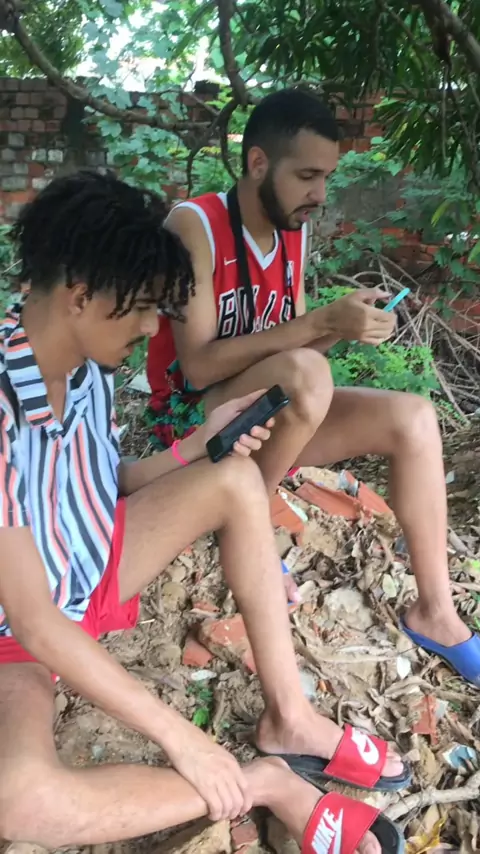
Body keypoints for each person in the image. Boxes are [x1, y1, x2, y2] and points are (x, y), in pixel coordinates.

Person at [0, 170, 407, 851]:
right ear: (80, 295)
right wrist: (183, 738)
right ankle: (268, 784)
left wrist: (196, 447)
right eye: (142, 309)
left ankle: (291, 717)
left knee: (237, 479)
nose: (151, 327)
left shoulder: (87, 369)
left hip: (97, 564)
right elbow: (35, 622)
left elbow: (109, 483)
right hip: (20, 630)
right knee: (20, 801)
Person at [146, 87, 480, 688]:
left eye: (326, 176)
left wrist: (343, 325)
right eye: (306, 176)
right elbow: (196, 369)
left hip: (267, 413)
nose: (320, 194)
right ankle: (245, 521)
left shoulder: (292, 233)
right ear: (257, 163)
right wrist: (320, 324)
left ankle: (436, 611)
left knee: (414, 417)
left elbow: (293, 350)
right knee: (306, 373)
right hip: (194, 422)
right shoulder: (194, 225)